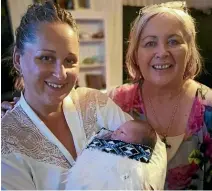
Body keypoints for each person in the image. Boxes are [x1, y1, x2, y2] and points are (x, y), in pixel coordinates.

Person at [1, 1, 137, 190]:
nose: (61, 73)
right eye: (46, 58)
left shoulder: (94, 102)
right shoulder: (6, 140)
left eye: (69, 60)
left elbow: (150, 150)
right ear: (18, 59)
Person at [108, 1, 212, 190]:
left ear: (189, 50)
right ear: (135, 54)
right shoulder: (114, 103)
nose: (162, 52)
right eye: (150, 43)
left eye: (173, 41)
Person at [65, 120, 167, 190]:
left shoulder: (135, 163)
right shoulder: (103, 139)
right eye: (118, 128)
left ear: (135, 146)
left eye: (122, 132)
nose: (116, 131)